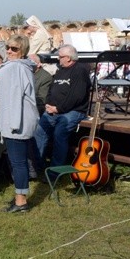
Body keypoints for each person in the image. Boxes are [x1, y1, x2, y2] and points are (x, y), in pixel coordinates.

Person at [0, 14, 38, 213]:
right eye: (9, 48)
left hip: (16, 123)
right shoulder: (15, 63)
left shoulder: (16, 68)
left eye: (14, 49)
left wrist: (10, 127)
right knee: (17, 161)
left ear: (23, 52)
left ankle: (21, 202)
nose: (9, 51)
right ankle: (19, 197)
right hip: (14, 123)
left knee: (18, 163)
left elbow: (14, 99)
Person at [33, 44, 91, 177]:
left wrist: (59, 108)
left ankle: (55, 172)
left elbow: (77, 96)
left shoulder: (80, 70)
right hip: (53, 110)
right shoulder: (60, 70)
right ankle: (37, 168)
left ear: (69, 58)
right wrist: (48, 104)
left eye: (60, 57)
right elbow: (52, 90)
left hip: (73, 111)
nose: (58, 59)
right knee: (39, 131)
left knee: (60, 134)